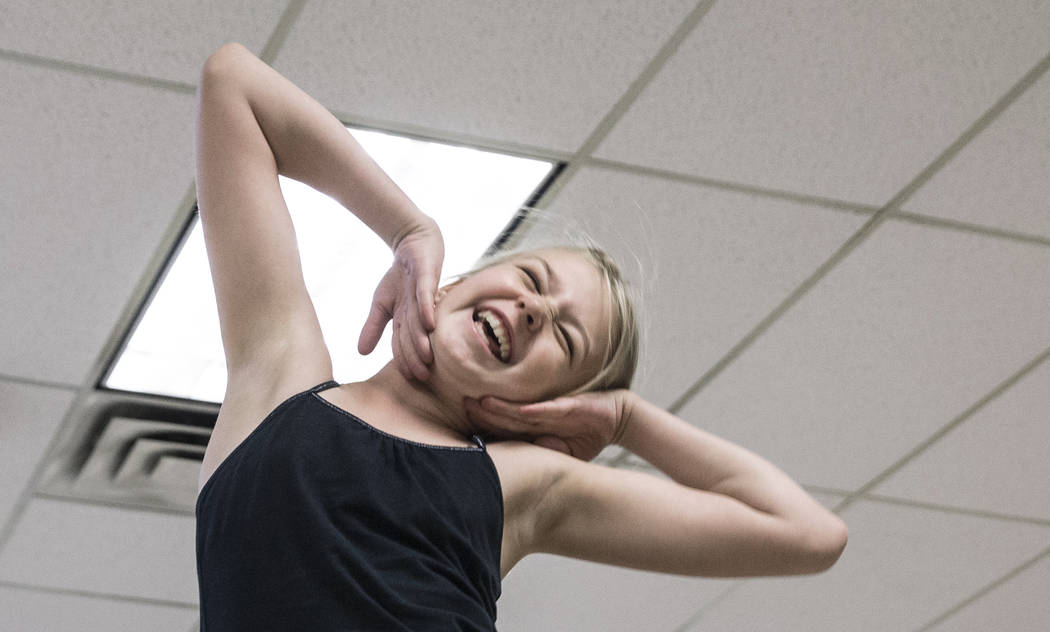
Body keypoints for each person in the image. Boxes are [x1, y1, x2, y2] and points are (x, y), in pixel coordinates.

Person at [193, 43, 847, 631]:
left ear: (551, 403)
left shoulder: (524, 484)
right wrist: (408, 230)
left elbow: (808, 534)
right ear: (453, 285)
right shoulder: (277, 374)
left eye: (566, 338)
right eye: (532, 280)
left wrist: (625, 419)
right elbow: (234, 84)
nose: (534, 309)